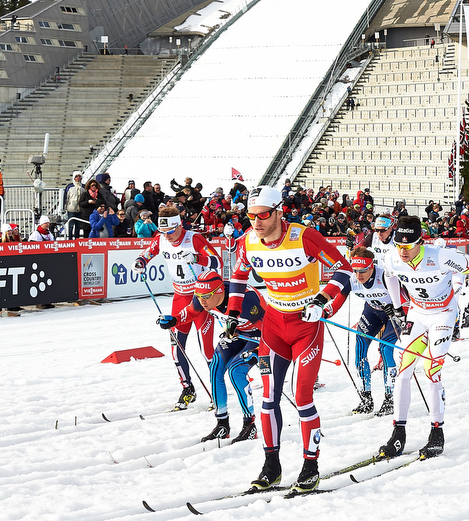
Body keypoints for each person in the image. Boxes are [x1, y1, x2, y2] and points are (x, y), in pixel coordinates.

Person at [226, 186, 349, 493]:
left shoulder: (303, 236)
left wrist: (320, 302)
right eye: (251, 216)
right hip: (274, 325)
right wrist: (232, 311)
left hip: (306, 326)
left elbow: (343, 270)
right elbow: (239, 276)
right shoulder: (247, 242)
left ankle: (310, 466)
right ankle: (272, 466)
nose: (256, 222)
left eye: (263, 215)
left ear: (279, 212)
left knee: (303, 398)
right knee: (268, 399)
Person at [377, 215, 469, 460]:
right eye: (399, 245)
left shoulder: (440, 256)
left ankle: (437, 432)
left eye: (408, 246)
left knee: (431, 369)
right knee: (402, 367)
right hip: (418, 313)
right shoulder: (392, 256)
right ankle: (398, 432)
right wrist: (398, 306)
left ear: (419, 242)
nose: (402, 251)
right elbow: (389, 275)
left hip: (443, 315)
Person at [159, 271, 264, 443]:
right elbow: (192, 311)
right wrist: (174, 320)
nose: (202, 301)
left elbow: (270, 327)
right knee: (215, 367)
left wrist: (262, 352)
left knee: (236, 372)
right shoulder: (203, 295)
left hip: (258, 336)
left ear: (220, 291)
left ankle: (249, 426)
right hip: (236, 334)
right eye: (199, 296)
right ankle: (222, 424)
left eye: (206, 296)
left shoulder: (247, 299)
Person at [133, 206, 221, 409]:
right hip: (180, 298)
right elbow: (147, 253)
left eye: (171, 231)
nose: (168, 236)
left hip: (201, 299)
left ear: (179, 225)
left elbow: (216, 261)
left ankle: (217, 391)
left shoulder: (194, 239)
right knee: (176, 349)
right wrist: (140, 262)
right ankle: (187, 389)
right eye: (164, 232)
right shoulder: (161, 238)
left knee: (207, 351)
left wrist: (197, 258)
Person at [324, 247, 400, 416]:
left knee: (386, 349)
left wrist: (396, 309)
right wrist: (324, 313)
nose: (358, 276)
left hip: (393, 316)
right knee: (360, 349)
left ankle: (391, 399)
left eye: (363, 271)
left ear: (372, 266)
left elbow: (407, 299)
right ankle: (366, 399)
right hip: (372, 312)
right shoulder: (352, 278)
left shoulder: (385, 276)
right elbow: (338, 302)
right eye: (355, 270)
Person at [64, 171, 85, 238]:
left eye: (79, 176)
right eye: (76, 176)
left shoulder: (84, 187)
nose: (78, 178)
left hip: (80, 209)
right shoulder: (69, 187)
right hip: (71, 209)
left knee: (78, 226)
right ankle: (70, 238)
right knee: (70, 226)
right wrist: (65, 207)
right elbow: (66, 198)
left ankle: (77, 239)